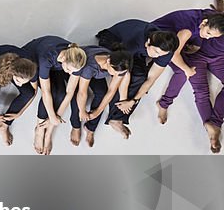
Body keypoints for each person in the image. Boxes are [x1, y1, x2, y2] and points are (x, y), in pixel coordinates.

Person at [149, 10, 224, 149]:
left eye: (211, 36)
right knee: (197, 87)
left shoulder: (214, 25)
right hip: (191, 53)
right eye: (208, 34)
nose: (208, 37)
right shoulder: (193, 27)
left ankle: (214, 125)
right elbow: (174, 53)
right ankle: (164, 103)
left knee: (191, 79)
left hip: (214, 57)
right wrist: (186, 68)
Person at [95, 19, 180, 136]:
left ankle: (116, 119)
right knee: (124, 78)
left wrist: (132, 101)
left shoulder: (166, 51)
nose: (157, 56)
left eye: (160, 54)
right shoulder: (136, 41)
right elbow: (123, 74)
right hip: (115, 42)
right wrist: (124, 100)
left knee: (141, 77)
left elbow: (151, 78)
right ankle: (116, 118)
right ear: (148, 42)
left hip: (137, 53)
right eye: (155, 52)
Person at [66, 46, 133, 147]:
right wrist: (83, 112)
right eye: (115, 72)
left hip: (95, 75)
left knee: (101, 93)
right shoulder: (89, 67)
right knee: (76, 97)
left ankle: (90, 128)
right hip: (79, 69)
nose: (117, 75)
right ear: (108, 61)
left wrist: (97, 113)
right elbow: (82, 92)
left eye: (119, 73)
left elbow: (111, 90)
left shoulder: (118, 65)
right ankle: (75, 126)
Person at [30, 37, 87, 155]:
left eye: (74, 72)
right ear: (64, 59)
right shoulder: (46, 58)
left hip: (57, 64)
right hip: (36, 60)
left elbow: (69, 92)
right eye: (70, 71)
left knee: (60, 93)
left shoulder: (76, 59)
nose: (72, 74)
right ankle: (39, 130)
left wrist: (54, 121)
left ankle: (48, 133)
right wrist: (52, 117)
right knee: (52, 91)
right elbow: (46, 92)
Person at [0, 45, 39, 147]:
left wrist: (20, 113)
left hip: (17, 62)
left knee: (28, 92)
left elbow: (34, 91)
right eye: (18, 81)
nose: (20, 85)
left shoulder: (31, 68)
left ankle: (4, 125)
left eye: (24, 82)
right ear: (12, 73)